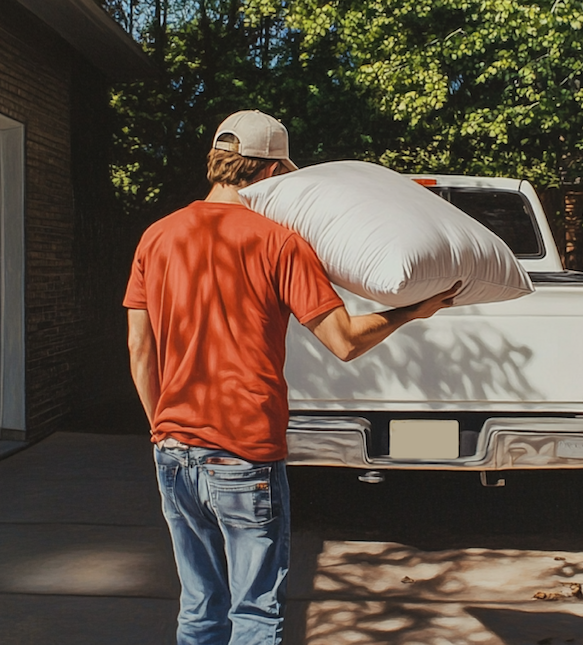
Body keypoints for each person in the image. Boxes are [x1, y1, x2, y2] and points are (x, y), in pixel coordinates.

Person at [123, 109, 458, 645]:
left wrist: (162, 428)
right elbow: (344, 341)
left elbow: (140, 347)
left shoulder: (156, 237)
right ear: (273, 172)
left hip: (174, 453)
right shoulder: (279, 242)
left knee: (199, 609)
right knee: (255, 615)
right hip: (244, 450)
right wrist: (409, 312)